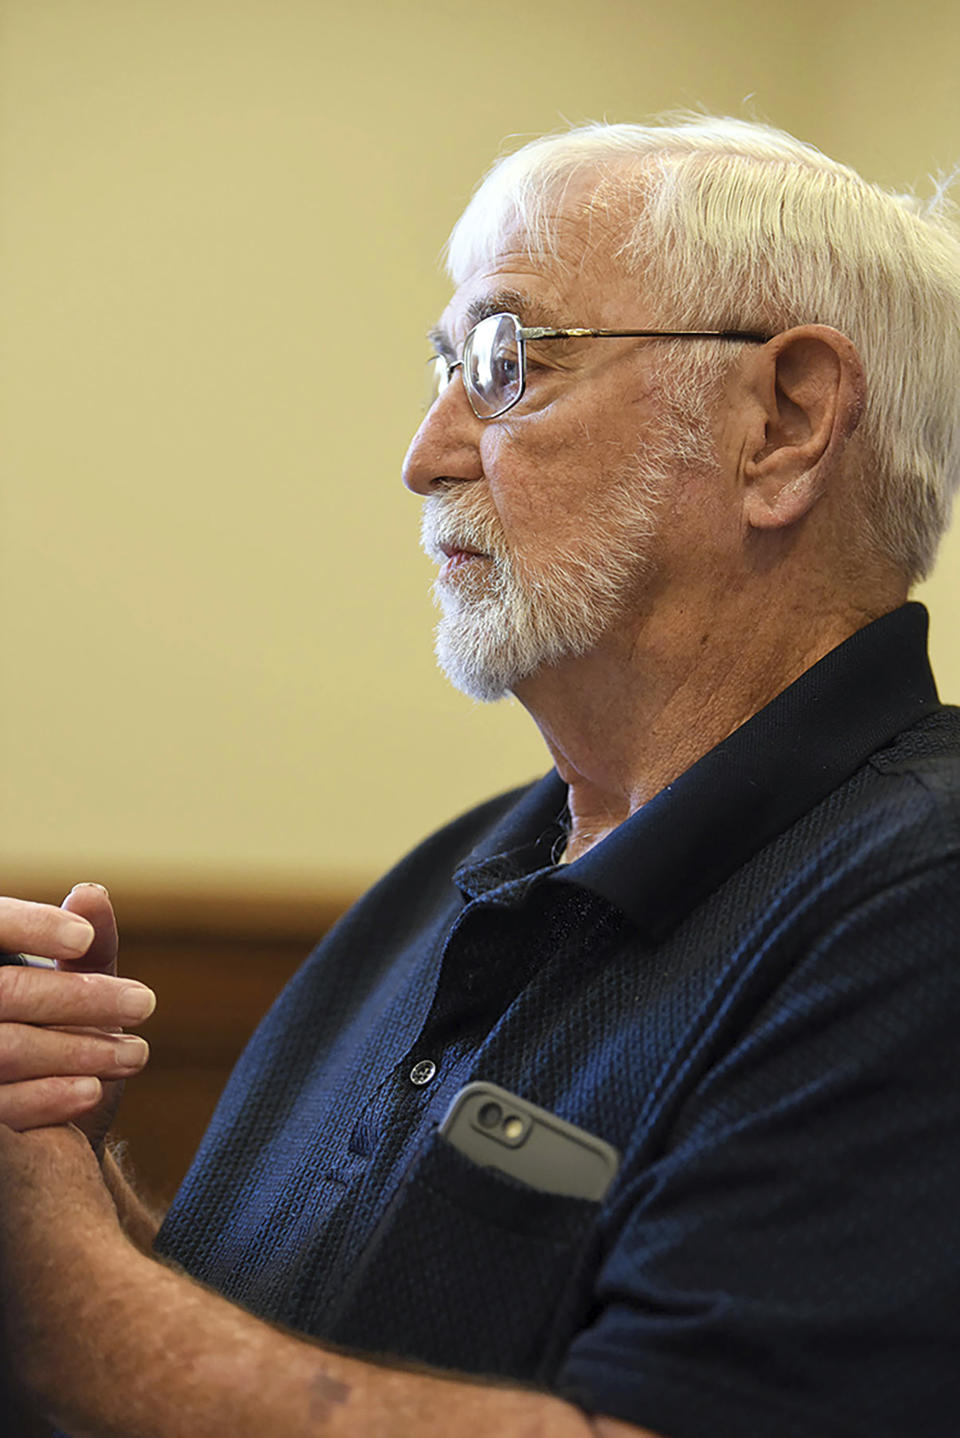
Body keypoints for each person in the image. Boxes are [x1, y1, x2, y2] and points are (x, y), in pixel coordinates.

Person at [1, 114, 960, 1438]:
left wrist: (61, 1288)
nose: (427, 452)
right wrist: (64, 1171)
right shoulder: (470, 861)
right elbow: (334, 1335)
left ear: (782, 423)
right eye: (447, 362)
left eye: (507, 358)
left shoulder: (921, 903)